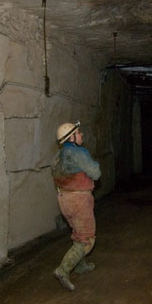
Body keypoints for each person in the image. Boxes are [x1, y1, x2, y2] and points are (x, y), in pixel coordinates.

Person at [51, 121, 101, 291]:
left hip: (64, 199)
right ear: (71, 137)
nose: (81, 135)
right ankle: (63, 270)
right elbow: (96, 173)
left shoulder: (56, 157)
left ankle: (81, 265)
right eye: (78, 132)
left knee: (78, 232)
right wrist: (93, 165)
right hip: (79, 200)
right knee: (87, 239)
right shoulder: (79, 152)